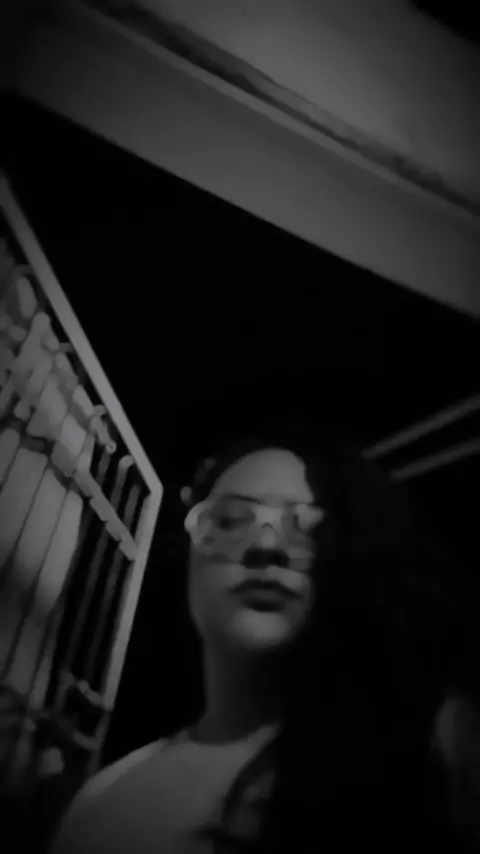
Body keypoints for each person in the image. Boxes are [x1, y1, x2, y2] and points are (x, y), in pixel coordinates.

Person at [51, 419, 468, 854]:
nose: (266, 547)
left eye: (306, 527)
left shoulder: (440, 770)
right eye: (230, 521)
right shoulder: (107, 810)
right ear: (190, 562)